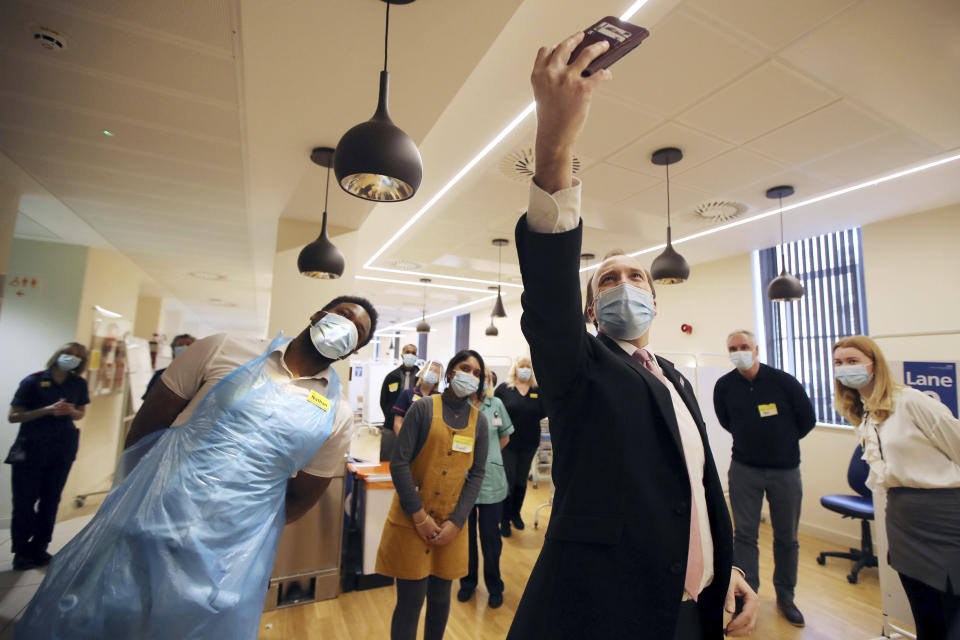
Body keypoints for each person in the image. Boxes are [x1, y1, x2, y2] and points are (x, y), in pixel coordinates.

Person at [506, 33, 757, 639]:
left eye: (635, 277)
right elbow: (547, 300)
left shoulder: (670, 376)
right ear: (591, 310)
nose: (624, 284)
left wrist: (726, 567)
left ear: (654, 297)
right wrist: (555, 142)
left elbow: (694, 482)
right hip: (604, 610)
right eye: (608, 280)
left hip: (695, 604)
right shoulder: (580, 363)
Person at [16, 296, 377, 639]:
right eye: (343, 314)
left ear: (354, 351)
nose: (346, 327)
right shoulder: (224, 348)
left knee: (194, 625)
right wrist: (143, 497)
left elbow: (302, 496)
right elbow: (147, 428)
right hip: (151, 518)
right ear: (317, 315)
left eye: (357, 332)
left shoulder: (337, 414)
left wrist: (243, 529)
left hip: (228, 551)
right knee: (108, 611)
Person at [833, 335, 960, 640]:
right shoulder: (861, 411)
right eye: (838, 363)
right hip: (903, 521)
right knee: (926, 615)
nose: (844, 368)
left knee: (952, 615)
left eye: (853, 361)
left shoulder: (912, 401)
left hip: (945, 518)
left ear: (874, 365)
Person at [376, 350, 489, 640]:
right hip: (413, 519)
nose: (471, 376)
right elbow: (399, 463)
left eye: (477, 373)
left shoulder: (480, 422)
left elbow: (476, 474)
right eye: (465, 368)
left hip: (451, 523)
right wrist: (419, 515)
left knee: (440, 600)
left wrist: (457, 522)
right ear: (451, 372)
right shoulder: (423, 408)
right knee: (410, 602)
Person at [713, 329, 816, 627]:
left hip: (785, 471)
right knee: (745, 535)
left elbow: (806, 419)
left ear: (756, 349)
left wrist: (780, 442)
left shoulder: (783, 382)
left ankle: (786, 596)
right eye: (733, 347)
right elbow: (725, 420)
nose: (739, 351)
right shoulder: (724, 386)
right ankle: (749, 594)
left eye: (744, 346)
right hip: (744, 469)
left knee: (787, 537)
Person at [6, 343, 90, 571]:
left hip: (62, 449)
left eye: (78, 357)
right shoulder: (32, 382)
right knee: (24, 503)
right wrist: (46, 410)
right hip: (30, 449)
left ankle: (40, 548)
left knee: (50, 501)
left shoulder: (78, 383)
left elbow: (81, 412)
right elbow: (13, 416)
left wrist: (70, 412)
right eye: (69, 354)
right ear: (58, 355)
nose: (71, 359)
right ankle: (21, 551)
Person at [459, 369, 513, 607]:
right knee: (465, 538)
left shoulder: (496, 404)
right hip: (462, 480)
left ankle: (494, 586)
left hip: (491, 481)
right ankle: (467, 583)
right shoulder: (460, 405)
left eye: (482, 375)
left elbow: (505, 436)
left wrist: (488, 456)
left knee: (491, 538)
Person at [495, 357, 544, 536]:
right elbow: (495, 410)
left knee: (521, 481)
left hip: (529, 442)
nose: (525, 369)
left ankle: (516, 514)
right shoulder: (504, 389)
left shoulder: (537, 390)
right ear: (515, 369)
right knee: (508, 479)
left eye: (528, 367)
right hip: (507, 442)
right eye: (522, 366)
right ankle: (504, 519)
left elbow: (544, 411)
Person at [383, 360, 444, 461]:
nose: (432, 374)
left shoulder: (440, 398)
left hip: (429, 448)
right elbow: (397, 423)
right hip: (407, 443)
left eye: (435, 372)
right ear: (423, 372)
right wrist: (405, 444)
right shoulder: (407, 394)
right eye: (430, 370)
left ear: (439, 378)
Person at [142, 333, 195, 399]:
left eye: (188, 345)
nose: (184, 348)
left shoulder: (198, 377)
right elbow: (147, 399)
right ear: (173, 350)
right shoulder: (161, 374)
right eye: (180, 345)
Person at [380, 343, 420, 422]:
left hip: (415, 420)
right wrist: (389, 416)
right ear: (402, 355)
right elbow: (383, 400)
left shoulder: (421, 377)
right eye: (407, 352)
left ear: (416, 357)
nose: (410, 355)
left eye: (413, 353)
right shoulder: (392, 376)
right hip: (392, 421)